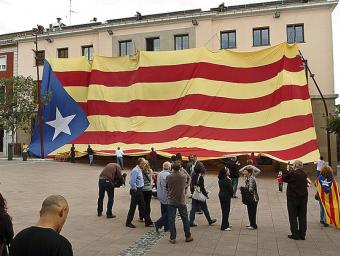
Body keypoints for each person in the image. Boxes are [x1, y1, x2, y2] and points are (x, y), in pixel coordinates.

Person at [166, 162, 193, 244]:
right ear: (180, 168)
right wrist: (186, 186)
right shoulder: (183, 176)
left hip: (172, 200)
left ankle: (173, 237)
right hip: (181, 200)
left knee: (171, 220)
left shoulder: (169, 176)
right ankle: (188, 236)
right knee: (185, 219)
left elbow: (167, 187)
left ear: (172, 168)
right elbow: (188, 178)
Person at [282, 160, 308, 240]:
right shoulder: (304, 174)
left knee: (293, 216)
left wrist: (287, 170)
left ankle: (295, 234)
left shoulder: (293, 173)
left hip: (293, 198)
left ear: (295, 165)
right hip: (303, 198)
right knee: (302, 217)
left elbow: (284, 178)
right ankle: (302, 234)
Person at [126, 158, 153, 228]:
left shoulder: (139, 170)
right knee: (133, 207)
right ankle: (128, 222)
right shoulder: (135, 170)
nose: (144, 165)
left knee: (143, 206)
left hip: (140, 189)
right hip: (136, 190)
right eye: (143, 163)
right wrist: (135, 189)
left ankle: (148, 222)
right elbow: (132, 181)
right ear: (140, 163)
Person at [155, 161, 171, 233]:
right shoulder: (168, 175)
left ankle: (166, 227)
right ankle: (159, 223)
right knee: (168, 212)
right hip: (166, 195)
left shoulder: (160, 173)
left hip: (160, 194)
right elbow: (168, 187)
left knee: (164, 211)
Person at [218, 167, 233, 231]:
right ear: (225, 172)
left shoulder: (220, 179)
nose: (229, 171)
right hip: (226, 196)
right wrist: (232, 194)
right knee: (226, 211)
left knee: (224, 210)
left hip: (221, 195)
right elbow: (230, 189)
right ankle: (224, 226)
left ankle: (226, 223)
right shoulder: (227, 180)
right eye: (228, 170)